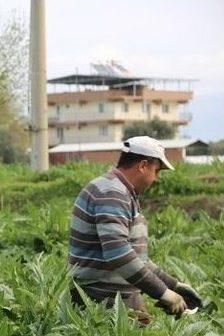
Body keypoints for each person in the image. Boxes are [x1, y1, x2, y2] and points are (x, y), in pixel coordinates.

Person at [68, 136, 202, 323]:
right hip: (101, 302)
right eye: (156, 171)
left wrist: (173, 285)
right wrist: (163, 293)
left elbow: (137, 258)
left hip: (116, 298)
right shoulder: (112, 193)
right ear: (143, 165)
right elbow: (119, 255)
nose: (156, 178)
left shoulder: (121, 192)